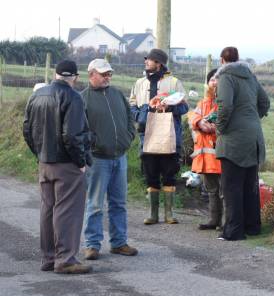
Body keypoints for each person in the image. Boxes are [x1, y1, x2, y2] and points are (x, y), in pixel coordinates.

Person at [23, 60, 93, 274]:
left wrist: (39, 153)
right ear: (75, 77)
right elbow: (71, 135)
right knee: (68, 210)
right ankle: (65, 260)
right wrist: (80, 161)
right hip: (67, 163)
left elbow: (27, 129)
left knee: (48, 209)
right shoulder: (73, 97)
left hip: (44, 162)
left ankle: (49, 258)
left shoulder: (37, 95)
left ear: (55, 74)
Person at [81, 59, 137, 260]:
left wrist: (129, 136)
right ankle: (92, 245)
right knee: (95, 203)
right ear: (91, 75)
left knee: (119, 203)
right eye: (103, 74)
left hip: (119, 157)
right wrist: (93, 145)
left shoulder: (117, 94)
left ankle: (119, 242)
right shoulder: (83, 99)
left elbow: (130, 117)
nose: (107, 77)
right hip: (97, 159)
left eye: (109, 74)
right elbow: (79, 130)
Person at [215, 47, 270, 241]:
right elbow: (265, 102)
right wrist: (252, 120)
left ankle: (234, 231)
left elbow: (225, 106)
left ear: (222, 61)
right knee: (250, 184)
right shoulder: (250, 77)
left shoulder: (225, 78)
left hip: (234, 140)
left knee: (232, 187)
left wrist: (219, 128)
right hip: (254, 137)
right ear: (238, 59)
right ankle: (252, 227)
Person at [129, 49, 189, 225]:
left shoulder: (174, 83)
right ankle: (153, 214)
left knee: (169, 173)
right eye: (146, 59)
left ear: (159, 63)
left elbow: (185, 108)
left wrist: (170, 108)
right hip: (146, 135)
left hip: (169, 136)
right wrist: (144, 112)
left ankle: (169, 214)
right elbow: (132, 107)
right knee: (150, 174)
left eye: (151, 59)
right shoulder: (139, 83)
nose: (146, 62)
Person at [189, 68, 223, 230]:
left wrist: (213, 127)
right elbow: (193, 117)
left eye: (218, 79)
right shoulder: (202, 103)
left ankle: (225, 222)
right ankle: (213, 220)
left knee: (224, 190)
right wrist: (199, 122)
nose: (214, 82)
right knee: (211, 189)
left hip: (221, 154)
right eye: (212, 79)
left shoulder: (225, 102)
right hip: (206, 156)